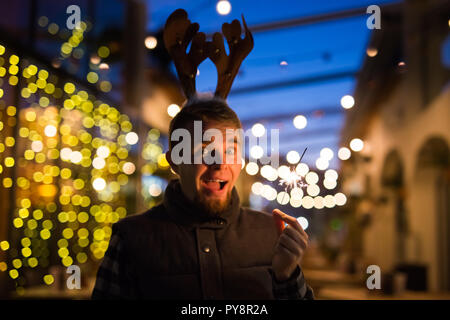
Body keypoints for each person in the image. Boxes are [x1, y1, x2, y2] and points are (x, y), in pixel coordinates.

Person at [92, 97, 314, 299]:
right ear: (174, 161)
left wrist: (287, 276)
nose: (220, 163)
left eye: (230, 151)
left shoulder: (271, 233)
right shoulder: (131, 239)